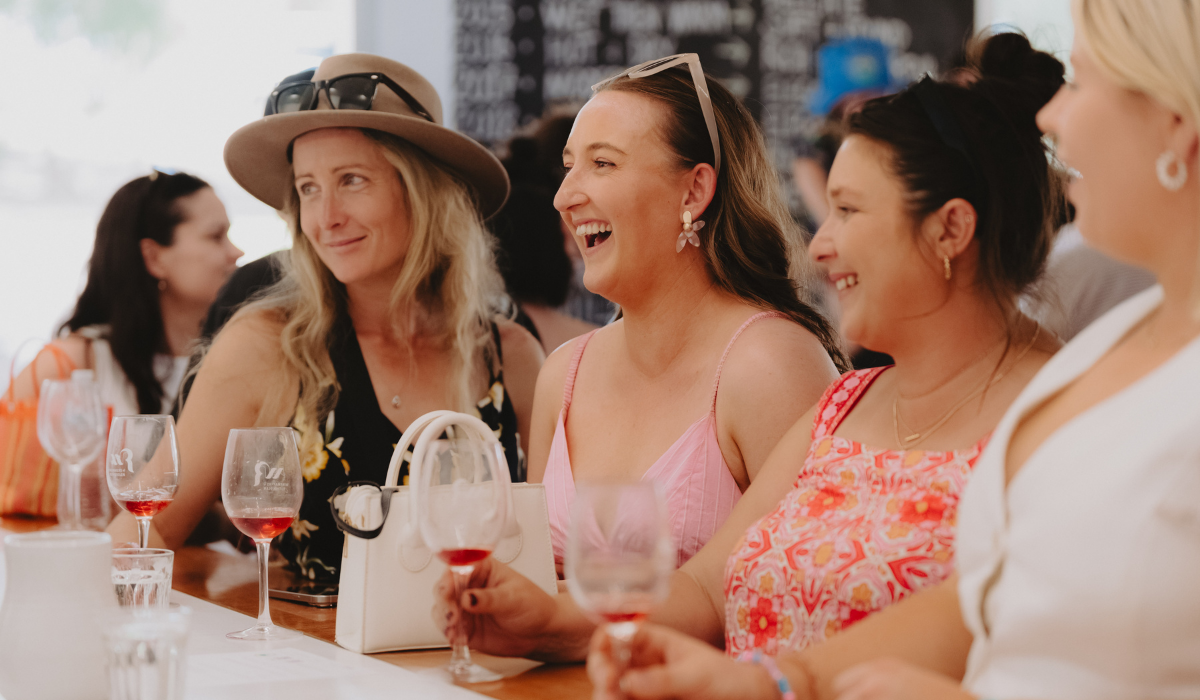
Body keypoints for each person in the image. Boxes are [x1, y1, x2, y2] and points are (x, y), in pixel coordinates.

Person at [584, 3, 1200, 698]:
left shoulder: (1083, 379)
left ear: (1175, 125)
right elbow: (985, 599)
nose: (1054, 120)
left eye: (1082, 86)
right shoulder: (1110, 352)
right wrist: (778, 681)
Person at [432, 31, 1064, 659]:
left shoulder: (1059, 413)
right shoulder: (847, 402)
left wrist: (785, 682)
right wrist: (542, 619)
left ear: (951, 228)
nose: (818, 246)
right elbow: (706, 588)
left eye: (846, 210)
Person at [108, 54, 544, 582]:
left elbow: (553, 559)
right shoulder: (266, 347)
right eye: (308, 188)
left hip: (478, 662)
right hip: (316, 661)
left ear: (424, 191)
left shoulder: (512, 356)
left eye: (352, 180)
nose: (326, 217)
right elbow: (139, 537)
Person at [527, 53, 846, 573]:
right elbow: (540, 587)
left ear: (694, 190)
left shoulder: (771, 364)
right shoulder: (563, 373)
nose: (565, 196)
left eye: (602, 163)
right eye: (568, 168)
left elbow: (809, 592)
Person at [8, 170, 241, 416]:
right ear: (154, 257)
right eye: (216, 236)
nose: (236, 252)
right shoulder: (75, 362)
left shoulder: (241, 354)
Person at [489, 177, 597, 354]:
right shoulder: (588, 343)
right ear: (551, 245)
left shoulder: (473, 338)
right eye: (567, 237)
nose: (573, 253)